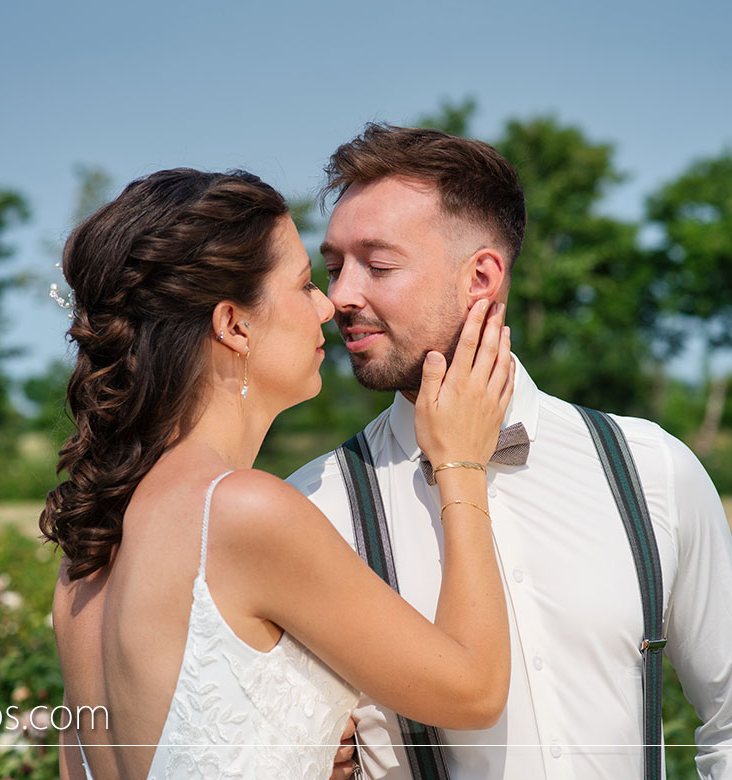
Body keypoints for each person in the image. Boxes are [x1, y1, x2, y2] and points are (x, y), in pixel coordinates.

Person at [288, 125, 732, 779]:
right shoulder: (312, 506)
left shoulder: (651, 469)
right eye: (335, 267)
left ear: (481, 276)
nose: (341, 298)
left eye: (378, 265)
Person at [42, 167, 519, 780]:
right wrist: (460, 462)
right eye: (302, 285)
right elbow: (475, 692)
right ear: (234, 325)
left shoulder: (90, 553)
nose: (328, 305)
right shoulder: (242, 511)